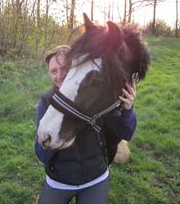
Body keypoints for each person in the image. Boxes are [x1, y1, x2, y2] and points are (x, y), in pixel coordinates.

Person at [35, 45, 137, 204]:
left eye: (65, 68)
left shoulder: (95, 96)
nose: (59, 75)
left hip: (96, 179)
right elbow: (41, 154)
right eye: (54, 71)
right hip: (60, 182)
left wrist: (128, 110)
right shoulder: (47, 102)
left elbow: (126, 133)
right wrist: (52, 143)